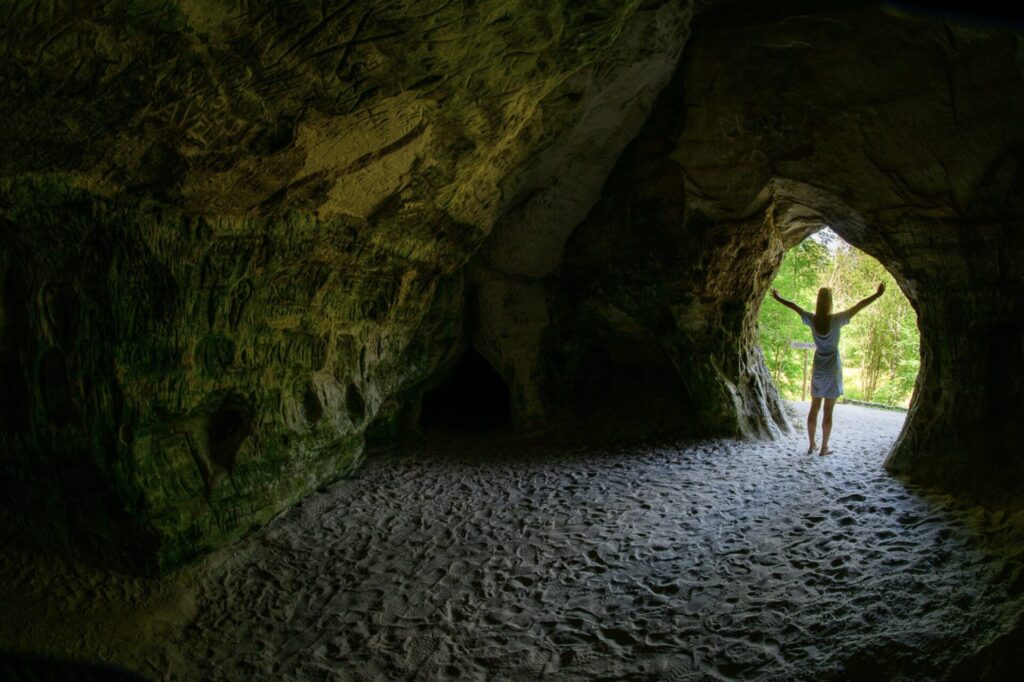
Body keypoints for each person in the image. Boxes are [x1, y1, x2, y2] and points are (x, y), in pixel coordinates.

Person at [771, 282, 886, 455]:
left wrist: (779, 298)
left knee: (814, 407)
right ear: (830, 303)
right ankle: (824, 447)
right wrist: (876, 295)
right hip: (832, 367)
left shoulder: (811, 319)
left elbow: (794, 306)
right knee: (828, 410)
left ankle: (811, 446)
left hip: (818, 367)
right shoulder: (838, 319)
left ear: (818, 302)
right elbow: (859, 306)